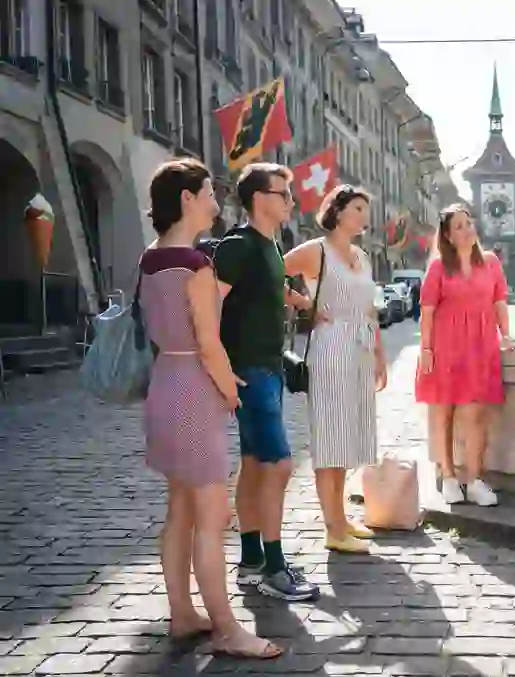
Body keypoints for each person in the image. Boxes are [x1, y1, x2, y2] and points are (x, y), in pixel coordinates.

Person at [140, 158, 281, 658]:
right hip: (194, 389)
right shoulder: (196, 264)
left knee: (180, 509)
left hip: (164, 384)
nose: (216, 204)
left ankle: (183, 613)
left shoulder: (151, 257)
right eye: (208, 194)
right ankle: (226, 627)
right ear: (186, 200)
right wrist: (230, 389)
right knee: (213, 513)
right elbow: (210, 344)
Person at [213, 163, 319, 602]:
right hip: (248, 370)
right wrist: (217, 364)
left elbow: (266, 290)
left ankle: (252, 559)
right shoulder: (237, 246)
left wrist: (301, 301)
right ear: (260, 199)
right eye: (284, 194)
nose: (291, 202)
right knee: (279, 464)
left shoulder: (271, 248)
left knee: (256, 464)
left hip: (269, 366)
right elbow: (209, 305)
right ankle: (275, 569)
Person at [283, 185, 386, 554]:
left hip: (359, 347)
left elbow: (371, 309)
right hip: (329, 348)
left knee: (346, 438)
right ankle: (332, 528)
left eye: (365, 210)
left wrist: (379, 353)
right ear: (338, 211)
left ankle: (342, 519)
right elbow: (271, 272)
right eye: (358, 208)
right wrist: (302, 302)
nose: (364, 216)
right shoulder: (316, 250)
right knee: (330, 439)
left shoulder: (361, 255)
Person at [416, 205, 511, 506]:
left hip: (481, 345)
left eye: (469, 223)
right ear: (447, 234)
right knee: (444, 413)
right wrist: (426, 350)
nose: (467, 229)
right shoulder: (438, 267)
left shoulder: (491, 263)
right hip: (445, 345)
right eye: (459, 226)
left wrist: (506, 335)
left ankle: (475, 479)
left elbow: (500, 302)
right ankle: (448, 476)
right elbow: (427, 312)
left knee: (475, 414)